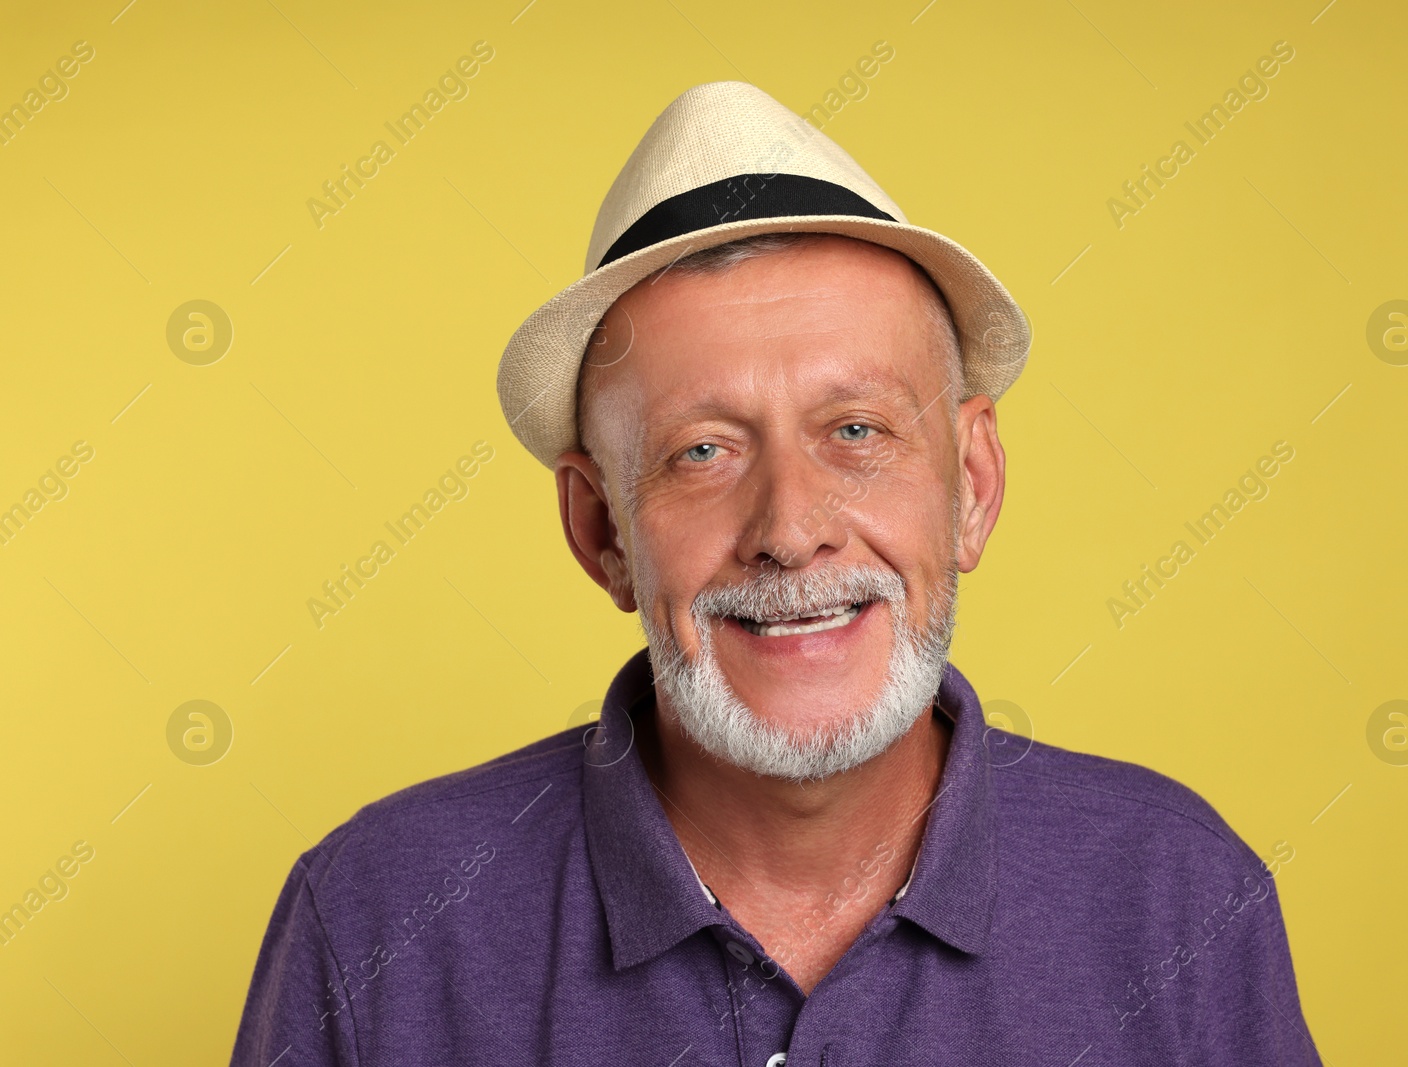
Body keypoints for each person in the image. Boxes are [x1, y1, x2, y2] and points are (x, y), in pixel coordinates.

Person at [231, 80, 1320, 1066]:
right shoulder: (378, 915)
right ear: (600, 529)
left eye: (855, 430)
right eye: (701, 451)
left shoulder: (1177, 894)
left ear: (972, 486)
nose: (790, 530)